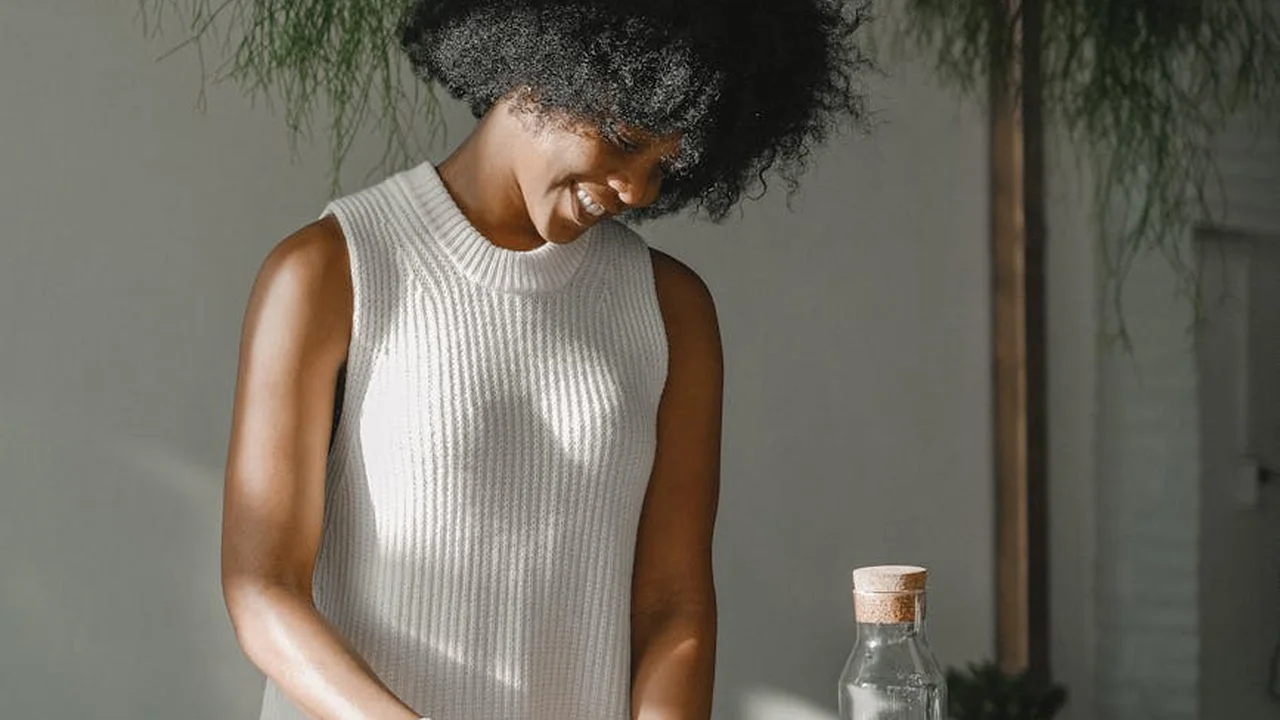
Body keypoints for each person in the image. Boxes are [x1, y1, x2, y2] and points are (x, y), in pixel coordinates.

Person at [220, 0, 870, 718]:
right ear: (541, 64)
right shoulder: (330, 272)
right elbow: (263, 588)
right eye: (624, 139)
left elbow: (673, 606)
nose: (637, 191)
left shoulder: (670, 310)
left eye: (664, 164)